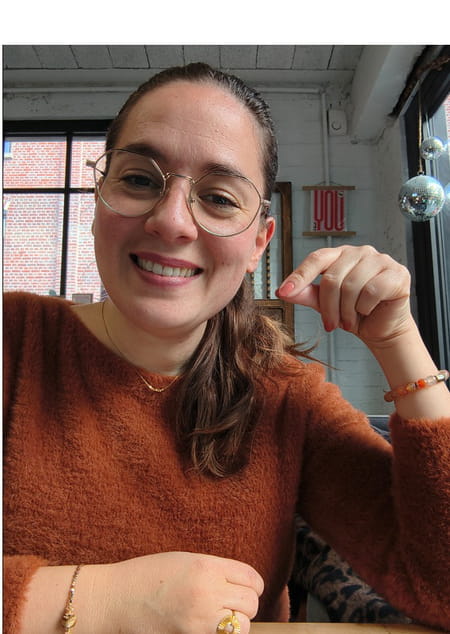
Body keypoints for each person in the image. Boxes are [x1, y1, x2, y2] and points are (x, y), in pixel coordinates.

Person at [3, 62, 450, 634]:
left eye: (217, 197)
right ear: (99, 199)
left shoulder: (288, 398)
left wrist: (398, 341)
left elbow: (441, 586)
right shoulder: (14, 340)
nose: (171, 222)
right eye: (139, 179)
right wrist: (95, 598)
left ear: (258, 242)